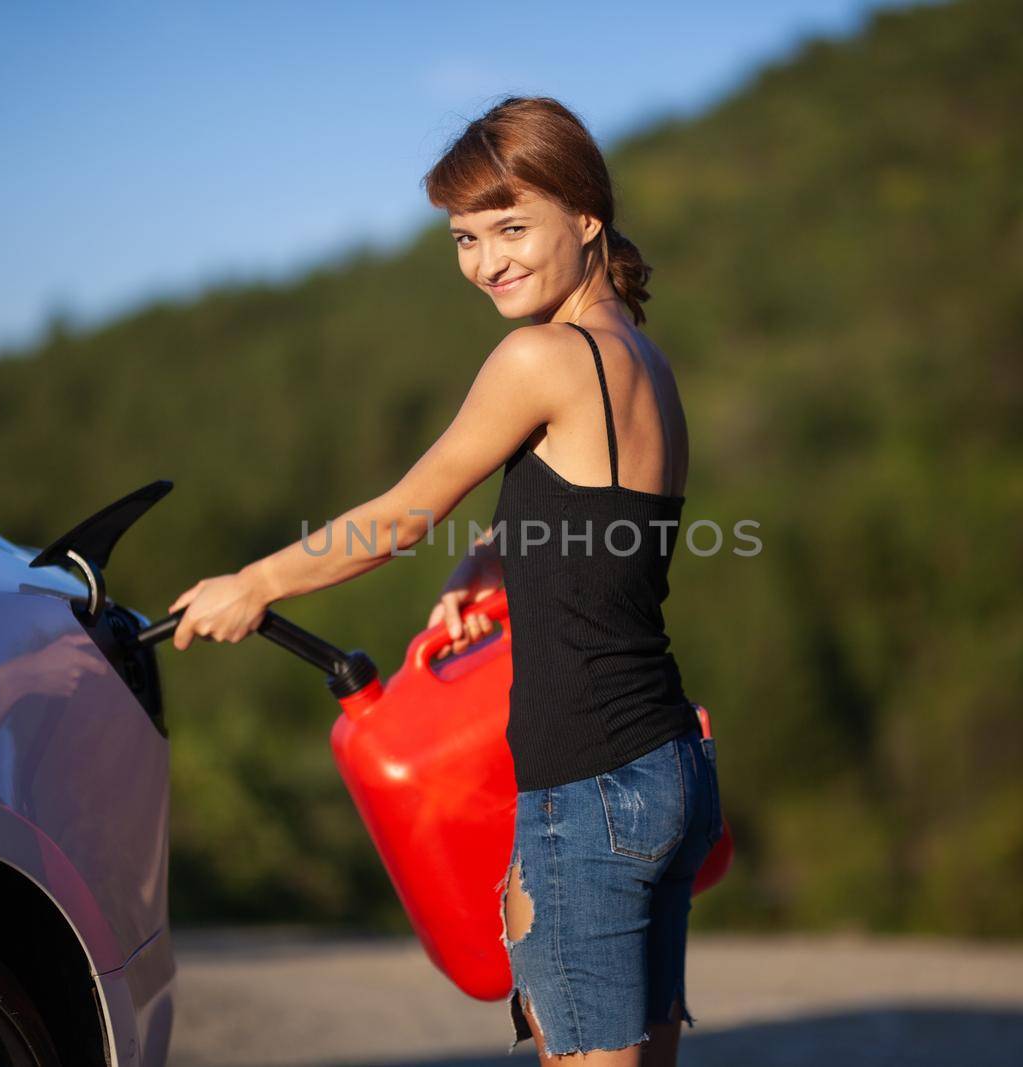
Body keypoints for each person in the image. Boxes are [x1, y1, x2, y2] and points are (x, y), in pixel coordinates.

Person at [167, 95, 722, 1066]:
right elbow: (602, 523)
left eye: (512, 227)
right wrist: (487, 560)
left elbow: (396, 519)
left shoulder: (538, 357)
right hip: (668, 766)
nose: (487, 260)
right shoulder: (642, 359)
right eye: (466, 238)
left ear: (585, 217)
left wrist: (253, 581)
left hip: (586, 784)